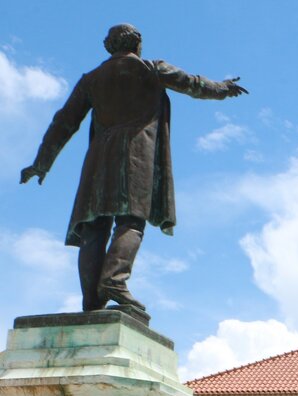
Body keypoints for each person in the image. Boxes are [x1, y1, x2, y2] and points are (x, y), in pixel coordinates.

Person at [20, 23, 248, 321]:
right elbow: (194, 84)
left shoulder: (91, 79)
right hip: (137, 153)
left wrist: (41, 162)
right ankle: (114, 279)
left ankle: (92, 299)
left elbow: (64, 122)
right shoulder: (152, 69)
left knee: (93, 226)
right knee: (131, 222)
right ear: (137, 43)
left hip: (98, 157)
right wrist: (223, 88)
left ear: (108, 45)